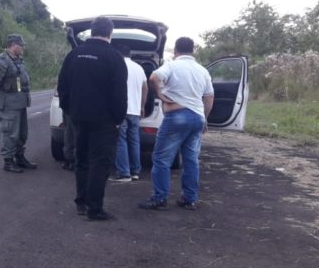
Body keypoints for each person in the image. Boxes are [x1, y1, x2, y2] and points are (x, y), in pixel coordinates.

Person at [57, 17, 127, 220]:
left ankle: (81, 203)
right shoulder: (114, 57)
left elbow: (63, 86)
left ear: (91, 31)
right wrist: (118, 118)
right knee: (100, 163)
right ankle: (94, 209)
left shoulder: (74, 54)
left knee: (82, 159)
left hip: (78, 117)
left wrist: (69, 110)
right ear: (110, 33)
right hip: (104, 121)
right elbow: (119, 94)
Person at [139, 37, 214, 211]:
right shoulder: (203, 71)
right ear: (192, 51)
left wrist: (160, 94)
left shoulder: (172, 66)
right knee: (191, 160)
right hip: (197, 117)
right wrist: (204, 118)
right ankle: (190, 199)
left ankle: (159, 198)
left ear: (175, 50)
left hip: (177, 116)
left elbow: (154, 77)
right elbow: (209, 97)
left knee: (161, 159)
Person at [0, 34, 37, 173]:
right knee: (10, 132)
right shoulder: (2, 61)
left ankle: (20, 157)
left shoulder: (18, 60)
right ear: (13, 45)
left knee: (22, 133)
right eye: (21, 45)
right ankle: (8, 162)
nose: (22, 48)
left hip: (21, 103)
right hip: (10, 103)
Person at [110, 56, 148, 182]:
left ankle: (124, 173)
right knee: (134, 140)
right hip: (135, 110)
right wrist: (142, 106)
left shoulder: (117, 66)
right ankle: (135, 171)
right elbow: (145, 88)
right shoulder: (139, 68)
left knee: (120, 140)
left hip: (122, 109)